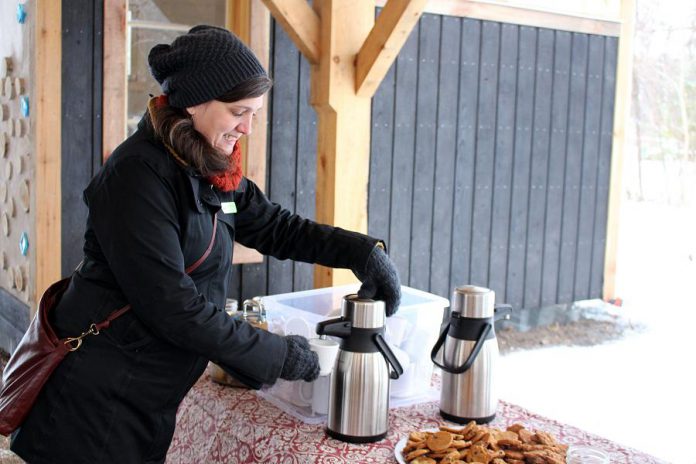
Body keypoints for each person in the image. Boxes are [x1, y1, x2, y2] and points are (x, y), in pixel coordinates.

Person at [10, 25, 400, 464]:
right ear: (194, 102)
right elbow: (172, 306)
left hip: (148, 390)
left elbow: (276, 227)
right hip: (94, 404)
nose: (248, 127)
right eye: (238, 111)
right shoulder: (136, 177)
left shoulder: (207, 166)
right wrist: (278, 356)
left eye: (254, 112)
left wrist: (363, 253)